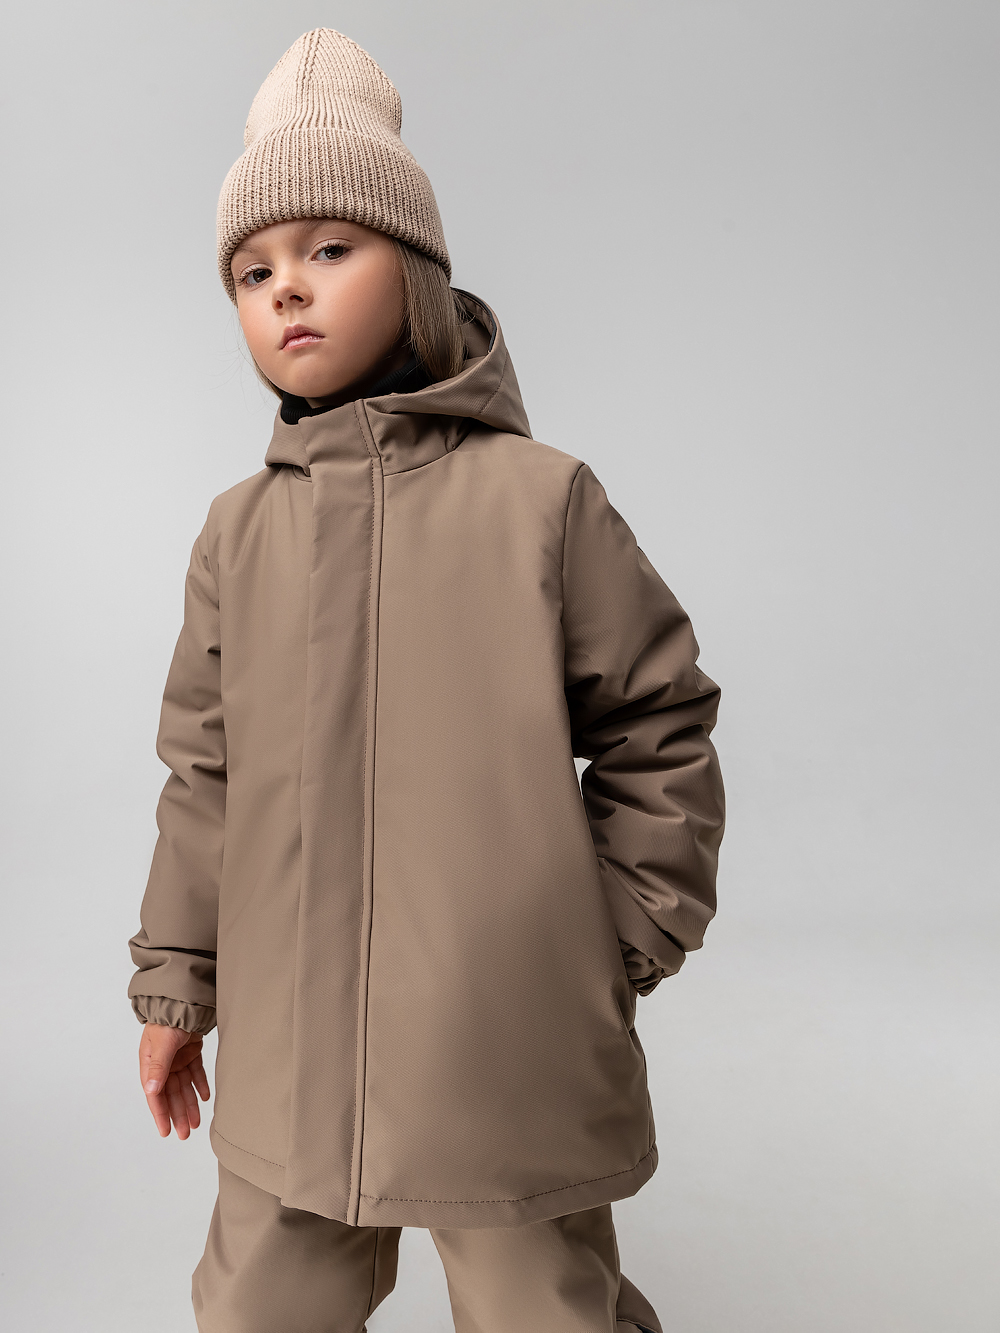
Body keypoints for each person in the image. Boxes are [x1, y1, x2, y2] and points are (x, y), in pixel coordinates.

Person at [127, 28, 725, 1333]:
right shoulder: (238, 535)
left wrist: (612, 941)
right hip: (289, 1056)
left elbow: (661, 722)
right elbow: (204, 778)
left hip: (504, 1043)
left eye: (331, 248)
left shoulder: (541, 503)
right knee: (258, 1309)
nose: (287, 288)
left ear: (418, 272)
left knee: (540, 1309)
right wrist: (179, 986)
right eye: (253, 271)